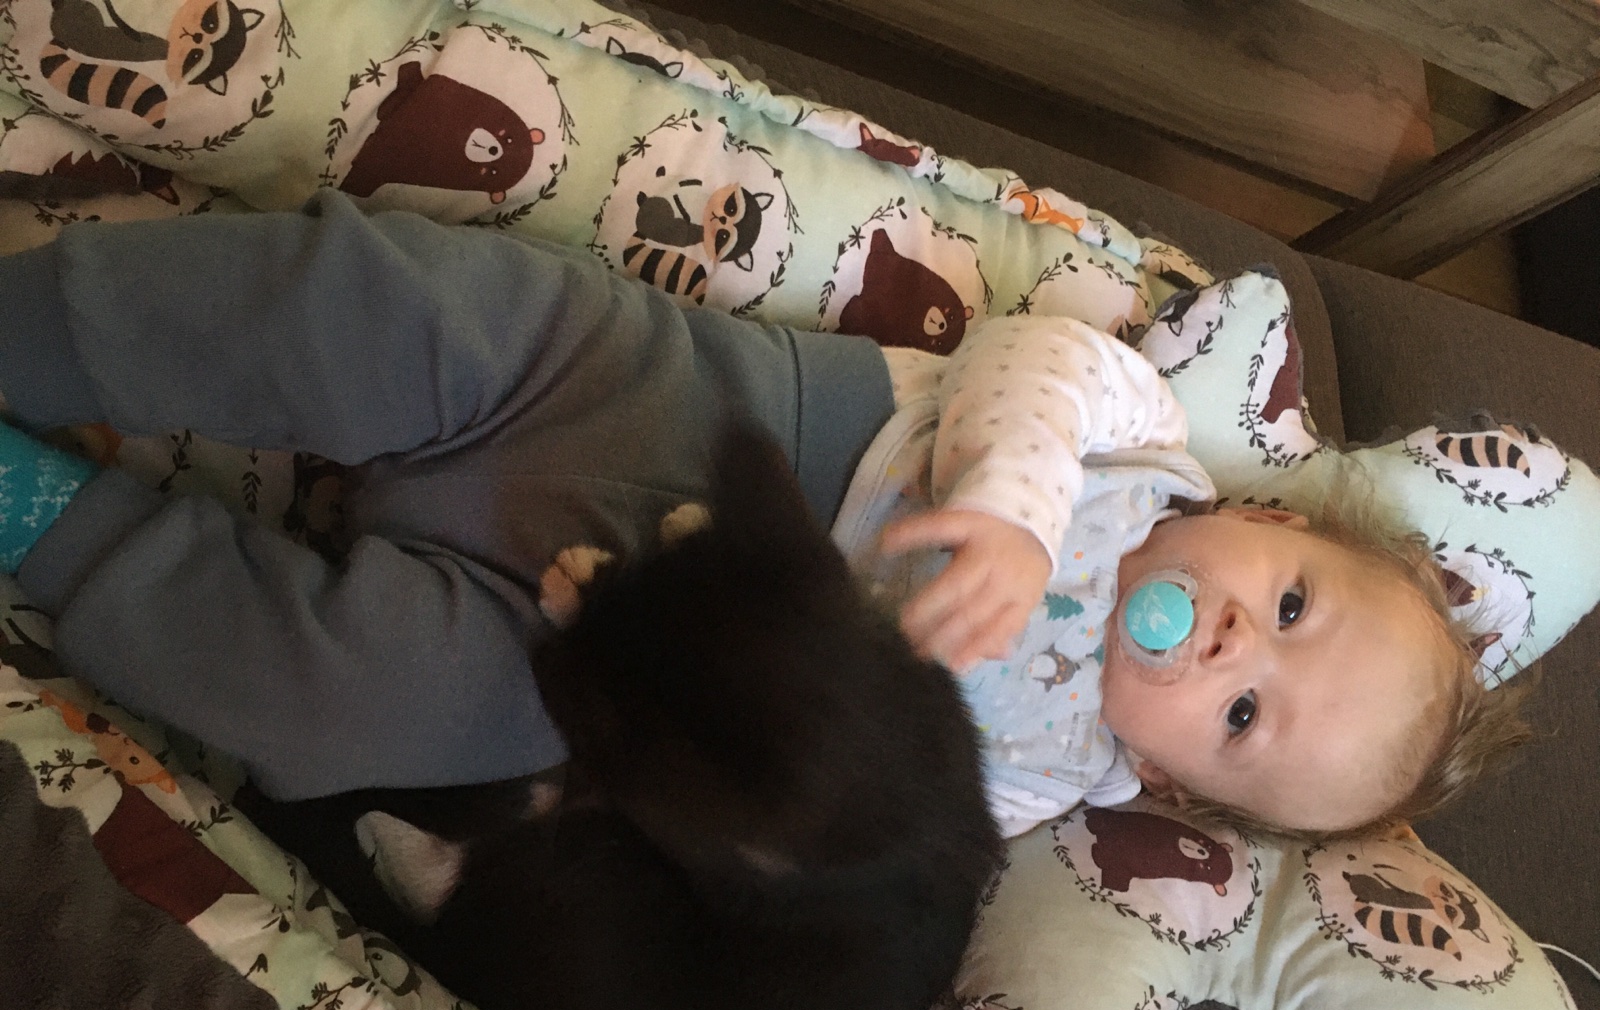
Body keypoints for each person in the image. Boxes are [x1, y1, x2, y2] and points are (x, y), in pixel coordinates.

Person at [0, 190, 1522, 839]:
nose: (1234, 641)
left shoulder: (1042, 783)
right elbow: (1034, 362)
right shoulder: (1143, 448)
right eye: (1293, 601)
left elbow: (845, 810)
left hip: (592, 650)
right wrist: (1014, 511)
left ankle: (53, 521)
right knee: (372, 311)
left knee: (357, 711)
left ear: (1173, 780)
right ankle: (40, 330)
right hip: (653, 404)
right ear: (1273, 518)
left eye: (1244, 716)